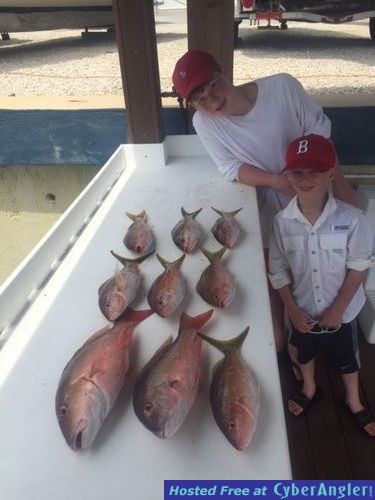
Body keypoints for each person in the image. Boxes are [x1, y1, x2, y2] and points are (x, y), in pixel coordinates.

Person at [172, 49, 357, 356]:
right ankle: (289, 336)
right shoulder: (205, 124)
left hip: (319, 188)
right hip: (276, 207)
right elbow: (230, 167)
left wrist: (340, 186)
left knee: (333, 264)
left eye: (213, 85)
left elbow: (320, 129)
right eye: (199, 98)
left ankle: (334, 334)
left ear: (224, 73)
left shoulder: (282, 87)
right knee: (280, 275)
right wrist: (277, 181)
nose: (212, 100)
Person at [268, 133, 375, 436]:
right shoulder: (280, 222)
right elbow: (277, 270)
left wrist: (338, 310)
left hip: (342, 313)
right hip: (302, 311)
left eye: (314, 171)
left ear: (330, 173)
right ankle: (310, 386)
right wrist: (292, 311)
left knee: (347, 359)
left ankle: (354, 399)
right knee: (303, 354)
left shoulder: (353, 219)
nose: (304, 179)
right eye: (297, 171)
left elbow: (358, 267)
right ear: (287, 174)